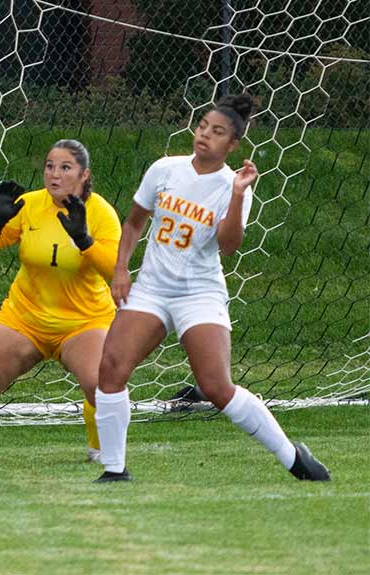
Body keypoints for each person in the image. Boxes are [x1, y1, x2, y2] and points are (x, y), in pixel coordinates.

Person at [93, 93, 330, 482]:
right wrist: (121, 269)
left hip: (199, 294)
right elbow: (134, 222)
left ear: (233, 145)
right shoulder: (164, 169)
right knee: (112, 368)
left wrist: (237, 195)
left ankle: (292, 456)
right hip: (151, 289)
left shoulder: (232, 185)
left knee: (216, 387)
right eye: (203, 126)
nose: (205, 135)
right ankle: (114, 471)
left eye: (217, 132)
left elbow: (228, 246)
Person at [0, 140, 121, 461]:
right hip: (24, 318)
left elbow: (114, 268)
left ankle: (99, 450)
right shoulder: (30, 204)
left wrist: (84, 239)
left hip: (85, 321)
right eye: (49, 166)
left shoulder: (100, 213)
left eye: (65, 167)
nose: (54, 174)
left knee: (101, 384)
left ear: (84, 175)